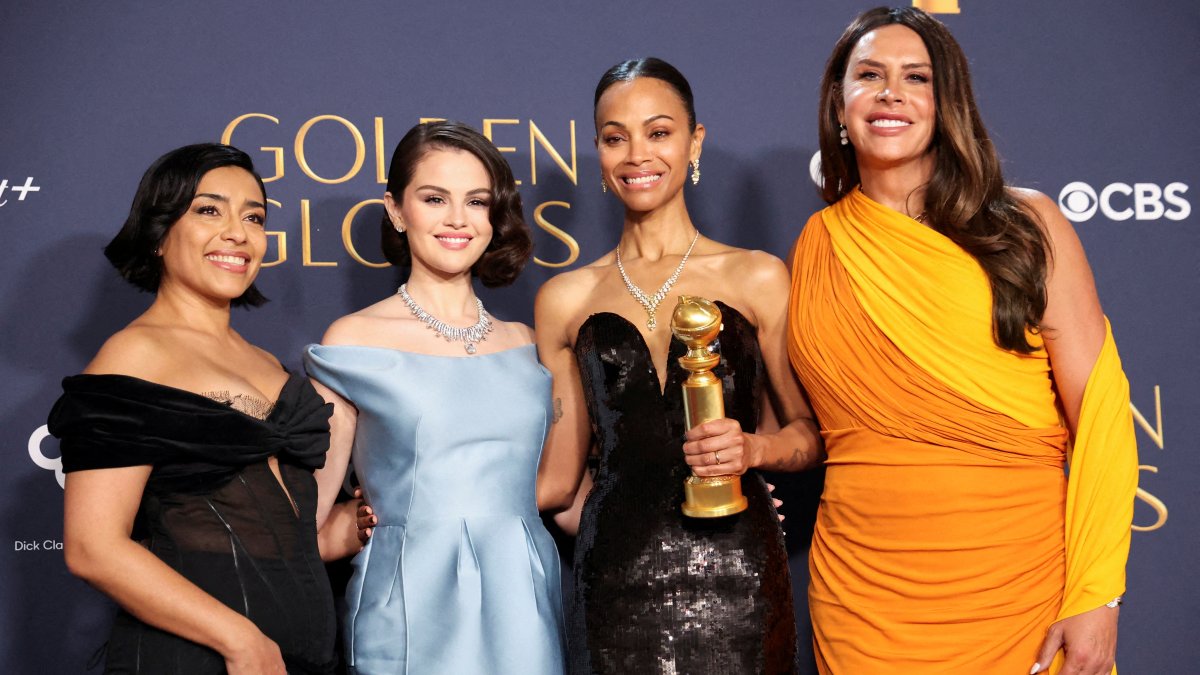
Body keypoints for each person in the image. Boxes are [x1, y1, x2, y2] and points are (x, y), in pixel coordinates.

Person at [787, 7, 1138, 674]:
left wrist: (1099, 593)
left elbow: (1101, 413)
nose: (891, 93)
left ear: (945, 102)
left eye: (915, 77)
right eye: (869, 75)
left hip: (1022, 595)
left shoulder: (1028, 222)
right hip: (865, 603)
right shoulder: (815, 249)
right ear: (839, 103)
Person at [534, 58, 823, 674]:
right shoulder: (566, 299)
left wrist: (752, 451)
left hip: (739, 578)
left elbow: (807, 436)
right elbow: (558, 480)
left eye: (659, 132)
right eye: (616, 137)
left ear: (695, 142)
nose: (637, 153)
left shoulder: (758, 276)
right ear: (599, 152)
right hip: (612, 584)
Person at [48, 143, 359, 674]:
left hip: (300, 658)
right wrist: (240, 641)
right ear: (158, 233)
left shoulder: (270, 366)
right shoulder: (136, 354)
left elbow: (281, 539)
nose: (238, 232)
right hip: (197, 657)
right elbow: (92, 547)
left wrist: (353, 527)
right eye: (209, 210)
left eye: (254, 216)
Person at [303, 121, 566, 675]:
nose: (457, 219)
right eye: (434, 198)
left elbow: (563, 490)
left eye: (476, 201)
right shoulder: (353, 341)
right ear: (396, 211)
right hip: (409, 606)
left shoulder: (524, 345)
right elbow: (308, 516)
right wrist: (354, 524)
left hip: (524, 602)